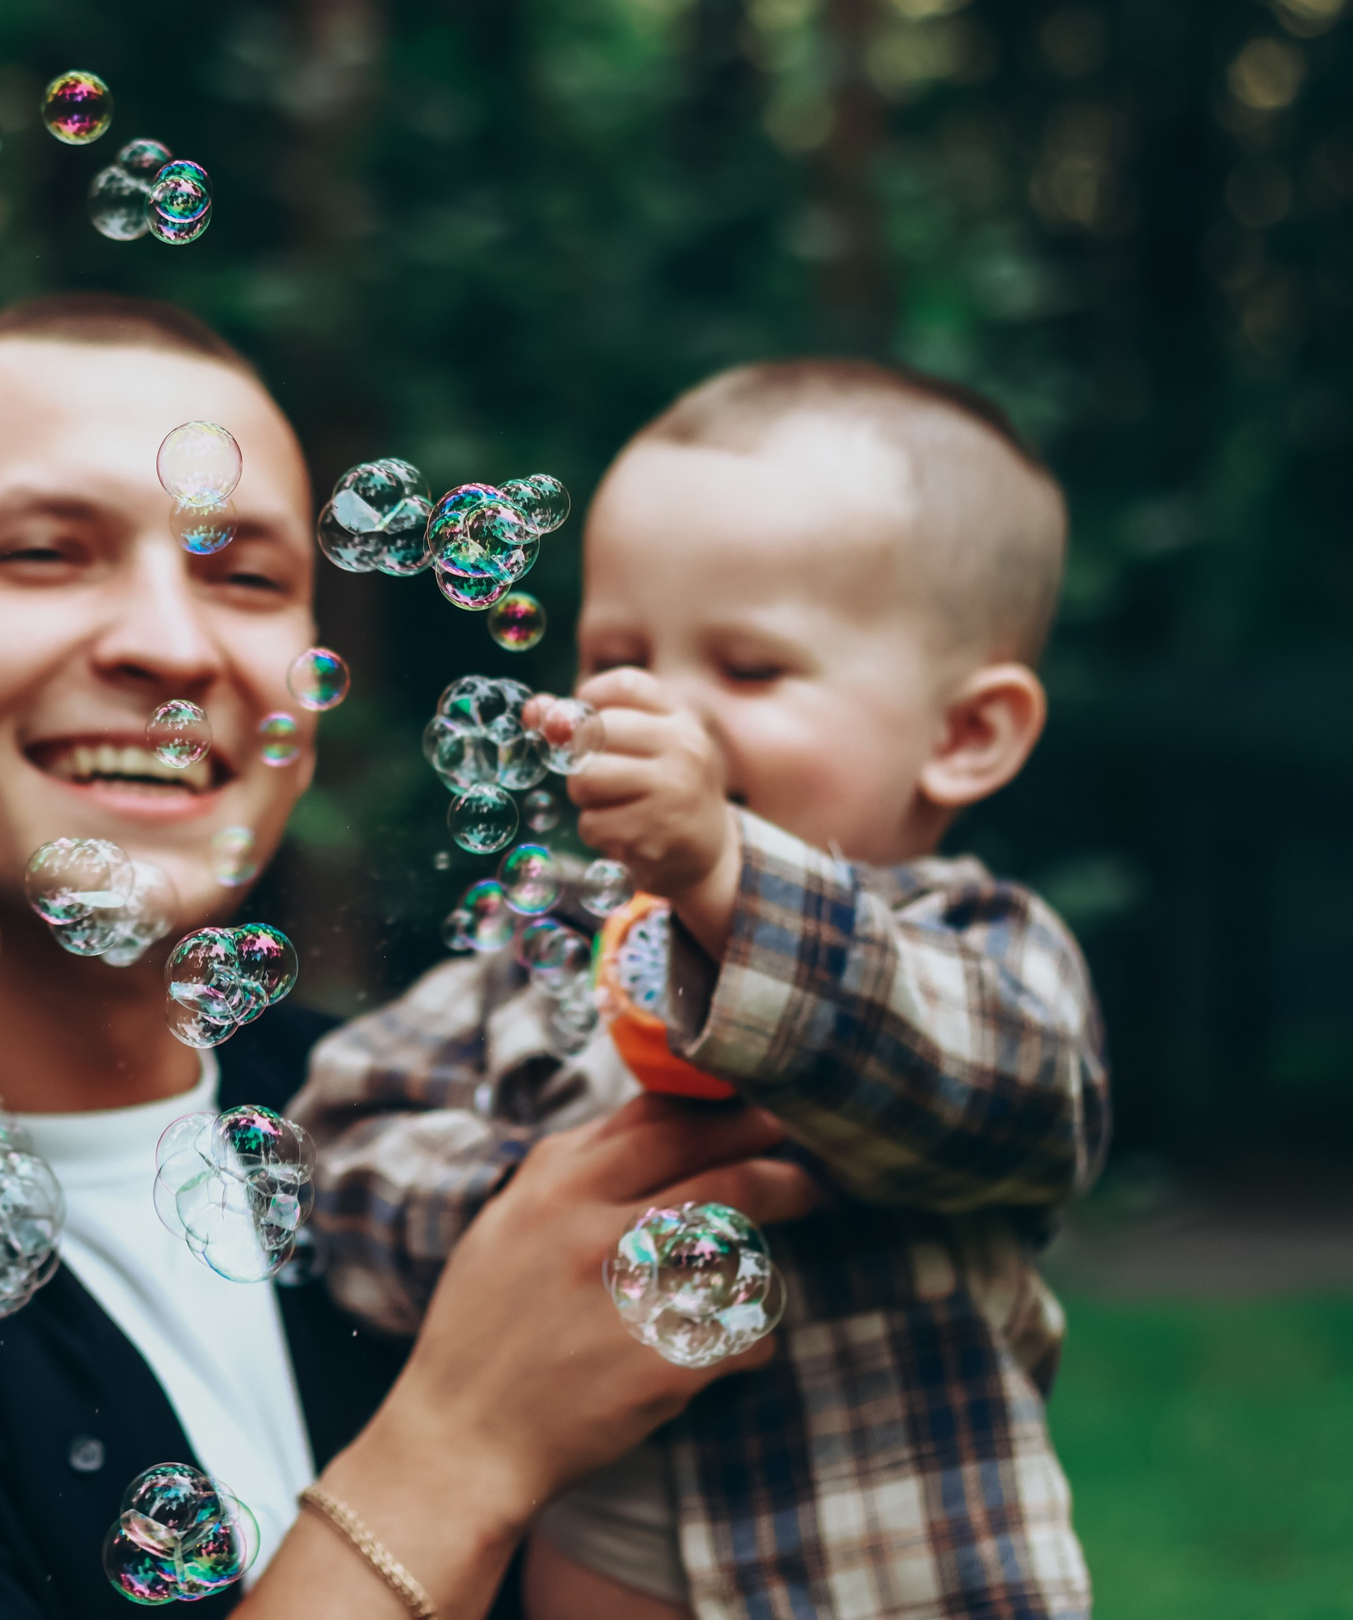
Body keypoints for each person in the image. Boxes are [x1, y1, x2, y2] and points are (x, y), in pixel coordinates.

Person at [0, 296, 817, 1619]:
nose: (173, 644)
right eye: (44, 553)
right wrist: (467, 1444)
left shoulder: (428, 1122)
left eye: (247, 576)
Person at [292, 359, 1109, 1619]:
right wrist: (535, 1223)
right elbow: (335, 1151)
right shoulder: (543, 942)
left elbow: (1004, 1101)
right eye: (619, 655)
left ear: (965, 734)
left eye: (750, 667)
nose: (660, 714)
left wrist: (731, 876)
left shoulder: (977, 948)